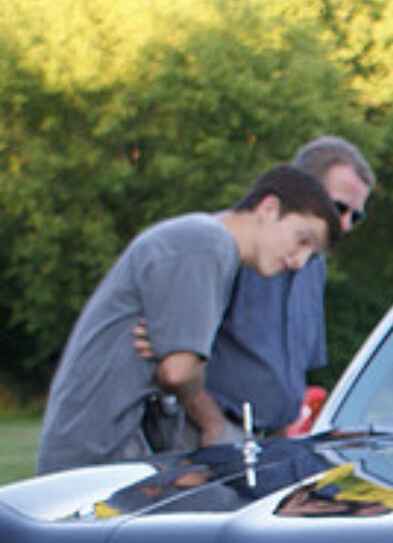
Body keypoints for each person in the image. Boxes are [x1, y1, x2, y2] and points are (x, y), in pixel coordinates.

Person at [35, 166, 342, 476]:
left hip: (117, 458)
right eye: (302, 240)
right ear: (268, 208)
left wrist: (179, 353)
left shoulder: (211, 249)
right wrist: (213, 421)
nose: (299, 262)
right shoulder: (206, 244)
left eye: (311, 254)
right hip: (95, 461)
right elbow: (178, 371)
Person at [204, 136, 375, 437]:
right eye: (340, 207)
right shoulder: (229, 248)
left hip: (277, 438)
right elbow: (174, 353)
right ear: (303, 190)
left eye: (356, 216)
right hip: (219, 433)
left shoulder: (315, 267)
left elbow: (296, 371)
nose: (345, 225)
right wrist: (210, 425)